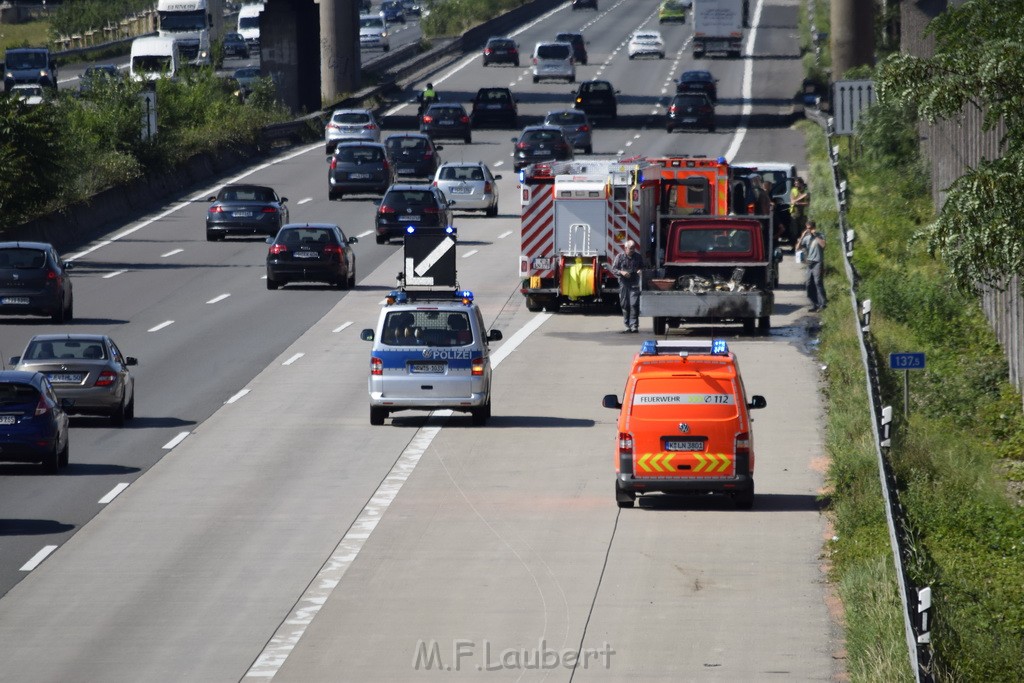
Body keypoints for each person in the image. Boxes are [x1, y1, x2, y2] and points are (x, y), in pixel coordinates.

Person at [611, 239, 645, 333]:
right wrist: (621, 272)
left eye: (634, 248)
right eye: (630, 248)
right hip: (623, 283)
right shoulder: (620, 257)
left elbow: (643, 267)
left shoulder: (638, 257)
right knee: (625, 305)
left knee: (634, 304)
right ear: (625, 248)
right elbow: (613, 269)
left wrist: (640, 270)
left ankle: (634, 325)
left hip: (634, 283)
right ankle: (626, 325)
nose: (632, 250)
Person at [797, 219, 827, 311]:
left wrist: (815, 235)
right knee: (809, 284)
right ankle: (815, 303)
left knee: (818, 282)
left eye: (810, 228)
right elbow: (798, 248)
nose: (809, 230)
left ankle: (823, 303)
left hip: (818, 261)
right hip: (809, 262)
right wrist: (802, 237)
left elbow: (823, 245)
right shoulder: (806, 238)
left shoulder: (820, 235)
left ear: (814, 228)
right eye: (807, 229)